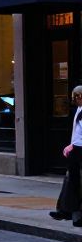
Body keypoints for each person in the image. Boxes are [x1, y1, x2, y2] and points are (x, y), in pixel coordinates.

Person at [52, 86, 82, 226]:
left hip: (79, 151)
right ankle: (68, 211)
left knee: (74, 183)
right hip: (76, 151)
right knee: (71, 181)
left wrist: (73, 146)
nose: (77, 99)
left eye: (79, 96)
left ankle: (70, 212)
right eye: (76, 96)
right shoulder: (78, 111)